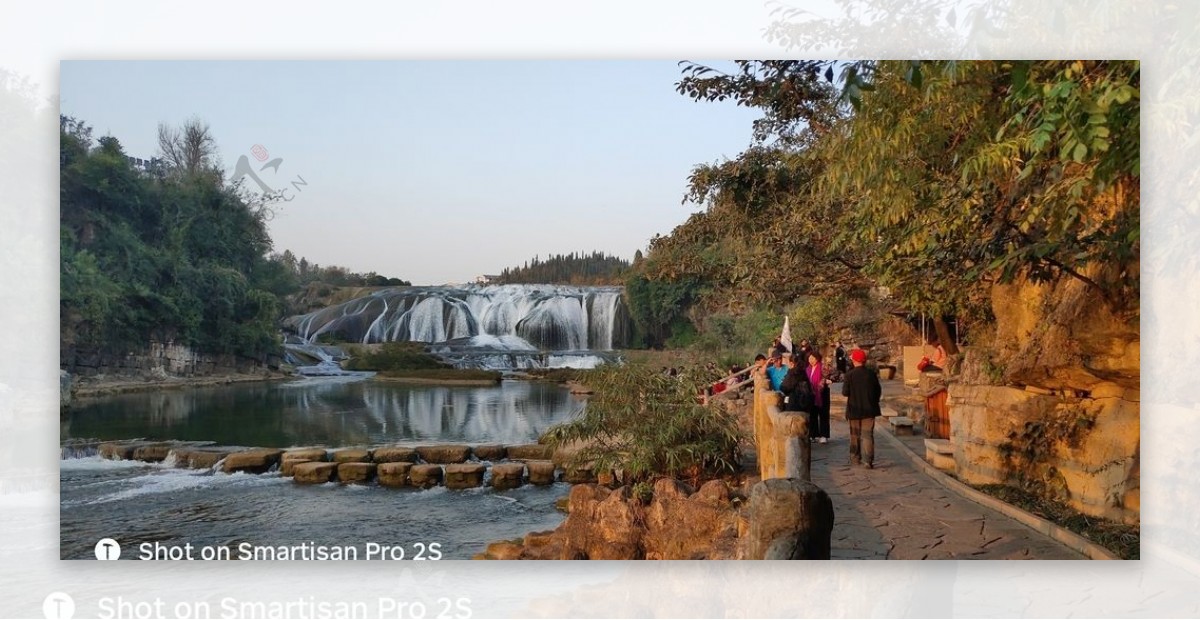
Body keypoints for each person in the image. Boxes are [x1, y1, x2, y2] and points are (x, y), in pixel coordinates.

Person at [842, 348, 882, 468]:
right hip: (869, 409)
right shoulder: (871, 374)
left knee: (855, 435)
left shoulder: (849, 375)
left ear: (854, 360)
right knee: (868, 435)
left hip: (854, 409)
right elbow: (878, 391)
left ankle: (855, 458)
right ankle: (867, 460)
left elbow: (845, 392)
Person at [805, 351, 831, 443]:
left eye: (812, 358)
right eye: (809, 358)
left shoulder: (822, 367)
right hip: (812, 394)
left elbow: (826, 377)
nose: (810, 360)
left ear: (817, 358)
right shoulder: (808, 369)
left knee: (823, 414)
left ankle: (824, 435)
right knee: (813, 415)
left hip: (822, 394)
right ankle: (813, 434)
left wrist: (823, 382)